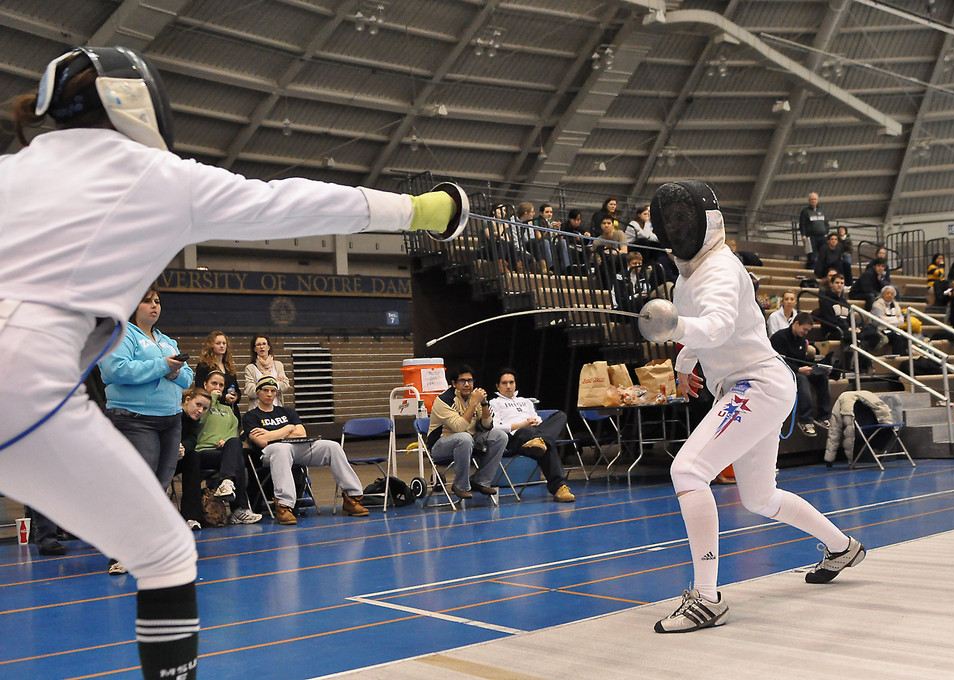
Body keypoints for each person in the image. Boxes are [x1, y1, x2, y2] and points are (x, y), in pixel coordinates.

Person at [0, 44, 459, 680]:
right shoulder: (157, 178)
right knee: (163, 553)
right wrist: (423, 210)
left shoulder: (9, 171)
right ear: (135, 102)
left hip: (27, 388)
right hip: (19, 383)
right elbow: (293, 202)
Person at [647, 180, 865, 634]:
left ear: (706, 222)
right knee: (760, 498)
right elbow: (699, 330)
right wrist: (685, 361)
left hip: (757, 386)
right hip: (745, 386)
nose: (677, 227)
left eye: (684, 219)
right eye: (672, 221)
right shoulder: (688, 274)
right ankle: (843, 547)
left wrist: (676, 327)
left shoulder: (722, 270)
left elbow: (718, 324)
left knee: (687, 471)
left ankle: (706, 598)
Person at [100, 287, 195, 493]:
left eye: (158, 302)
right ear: (134, 306)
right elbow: (114, 370)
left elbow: (188, 378)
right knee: (141, 484)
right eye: (147, 301)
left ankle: (151, 525)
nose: (154, 305)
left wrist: (175, 373)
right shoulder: (120, 334)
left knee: (161, 485)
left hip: (171, 418)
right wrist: (163, 366)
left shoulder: (168, 341)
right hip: (135, 419)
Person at [242, 376, 369, 523]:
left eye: (273, 390)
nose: (269, 394)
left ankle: (352, 498)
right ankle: (284, 506)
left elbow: (301, 433)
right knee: (281, 449)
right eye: (265, 390)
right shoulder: (251, 416)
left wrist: (271, 433)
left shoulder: (287, 412)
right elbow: (262, 441)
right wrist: (288, 428)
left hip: (298, 448)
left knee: (332, 446)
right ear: (258, 393)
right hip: (271, 453)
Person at [186, 371, 262, 525]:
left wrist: (226, 440)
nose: (218, 387)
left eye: (221, 385)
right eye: (214, 383)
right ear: (205, 384)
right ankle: (238, 509)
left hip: (223, 454)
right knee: (236, 459)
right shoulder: (201, 406)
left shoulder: (228, 410)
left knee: (235, 445)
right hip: (202, 452)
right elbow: (198, 421)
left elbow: (233, 430)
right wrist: (212, 398)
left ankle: (227, 484)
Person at [489, 368, 575, 503]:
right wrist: (522, 424)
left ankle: (540, 440)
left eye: (511, 382)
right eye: (504, 383)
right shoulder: (494, 403)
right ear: (497, 386)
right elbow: (494, 427)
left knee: (560, 416)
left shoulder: (526, 401)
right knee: (536, 436)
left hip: (535, 433)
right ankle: (559, 488)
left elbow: (537, 418)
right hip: (516, 437)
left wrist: (536, 421)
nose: (508, 386)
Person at [426, 365, 507, 500]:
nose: (467, 384)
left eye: (470, 381)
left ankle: (481, 480)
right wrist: (473, 404)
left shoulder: (474, 397)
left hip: (469, 440)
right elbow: (459, 427)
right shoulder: (444, 400)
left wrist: (484, 403)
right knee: (464, 438)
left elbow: (487, 426)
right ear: (453, 384)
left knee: (500, 436)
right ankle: (461, 485)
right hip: (440, 445)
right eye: (462, 381)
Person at [770, 312, 831, 436]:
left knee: (822, 377)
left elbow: (802, 360)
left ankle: (823, 416)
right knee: (802, 378)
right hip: (782, 372)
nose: (806, 333)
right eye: (805, 329)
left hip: (798, 370)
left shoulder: (802, 341)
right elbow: (779, 361)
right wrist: (798, 370)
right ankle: (805, 420)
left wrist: (817, 368)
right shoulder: (779, 337)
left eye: (808, 330)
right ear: (797, 324)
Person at [177, 386, 213, 531]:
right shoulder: (173, 414)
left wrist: (182, 447)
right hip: (159, 457)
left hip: (178, 456)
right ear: (187, 400)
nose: (200, 411)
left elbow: (192, 439)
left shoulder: (194, 422)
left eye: (204, 409)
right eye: (198, 405)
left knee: (193, 457)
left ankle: (190, 516)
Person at [193, 330, 241, 415]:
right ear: (211, 346)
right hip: (211, 409)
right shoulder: (203, 366)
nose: (222, 346)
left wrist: (235, 397)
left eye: (224, 343)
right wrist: (223, 398)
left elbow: (237, 390)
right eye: (218, 343)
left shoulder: (229, 366)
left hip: (230, 410)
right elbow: (199, 389)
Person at [243, 335, 290, 410]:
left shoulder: (278, 365)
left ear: (268, 347)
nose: (262, 347)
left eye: (264, 344)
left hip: (276, 408)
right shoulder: (250, 368)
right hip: (257, 409)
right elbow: (249, 391)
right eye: (258, 345)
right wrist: (274, 383)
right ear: (255, 349)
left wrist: (260, 386)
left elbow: (285, 384)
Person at [870, 286, 909, 354]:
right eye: (888, 293)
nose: (890, 295)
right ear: (883, 294)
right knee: (897, 338)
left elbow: (901, 320)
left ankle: (905, 358)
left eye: (892, 294)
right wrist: (895, 319)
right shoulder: (877, 305)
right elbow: (881, 320)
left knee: (906, 338)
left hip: (894, 329)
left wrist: (889, 319)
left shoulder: (896, 305)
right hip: (881, 330)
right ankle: (897, 358)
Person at [798, 192, 828, 267]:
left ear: (817, 200)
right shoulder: (805, 211)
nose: (813, 201)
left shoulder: (822, 210)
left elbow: (826, 223)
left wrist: (826, 232)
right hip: (810, 237)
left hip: (822, 236)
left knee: (824, 255)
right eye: (812, 199)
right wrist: (803, 235)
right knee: (811, 256)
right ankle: (810, 271)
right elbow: (802, 224)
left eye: (815, 199)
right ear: (809, 200)